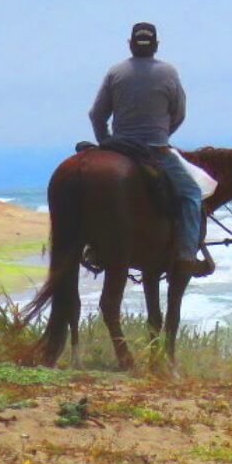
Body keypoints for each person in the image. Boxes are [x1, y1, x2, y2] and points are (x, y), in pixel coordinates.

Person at [89, 22, 209, 277]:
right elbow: (179, 113)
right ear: (155, 45)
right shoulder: (168, 72)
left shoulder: (115, 72)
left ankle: (91, 247)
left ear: (130, 44)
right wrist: (163, 136)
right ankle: (187, 255)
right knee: (191, 195)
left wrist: (106, 142)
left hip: (119, 150)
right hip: (156, 151)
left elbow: (96, 114)